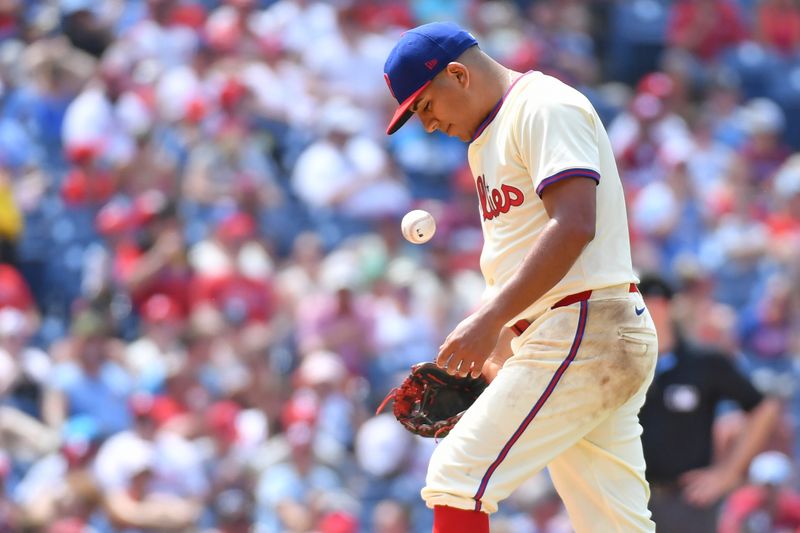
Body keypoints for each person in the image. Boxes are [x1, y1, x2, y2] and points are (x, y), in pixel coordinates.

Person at [383, 21, 659, 533]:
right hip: (575, 332)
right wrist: (502, 347)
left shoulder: (543, 106)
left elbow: (574, 224)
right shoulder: (483, 141)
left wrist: (489, 319)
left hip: (584, 325)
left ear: (459, 75)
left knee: (456, 477)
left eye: (425, 107)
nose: (428, 124)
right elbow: (521, 251)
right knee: (612, 524)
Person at [637, 273, 781, 533]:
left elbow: (763, 408)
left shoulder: (704, 363)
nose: (648, 309)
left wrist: (727, 473)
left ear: (668, 306)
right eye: (641, 299)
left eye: (655, 301)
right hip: (629, 498)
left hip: (687, 502)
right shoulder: (621, 365)